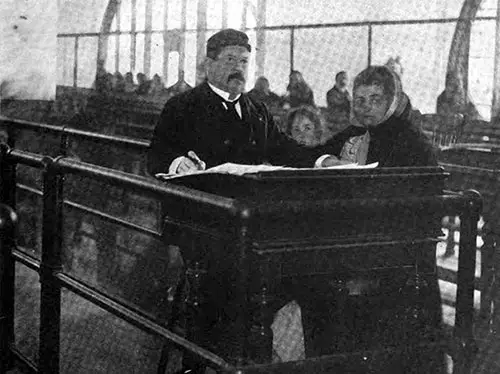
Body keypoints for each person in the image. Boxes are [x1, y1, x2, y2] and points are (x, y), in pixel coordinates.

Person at [148, 28, 281, 176]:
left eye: (244, 61)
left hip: (247, 196)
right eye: (230, 60)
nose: (238, 68)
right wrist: (179, 163)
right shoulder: (181, 106)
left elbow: (282, 148)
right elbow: (156, 155)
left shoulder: (258, 110)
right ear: (209, 65)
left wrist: (311, 159)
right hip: (202, 196)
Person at [318, 65, 437, 168]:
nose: (366, 107)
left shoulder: (414, 143)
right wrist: (325, 160)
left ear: (391, 102)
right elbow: (316, 153)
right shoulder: (355, 130)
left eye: (375, 100)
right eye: (360, 100)